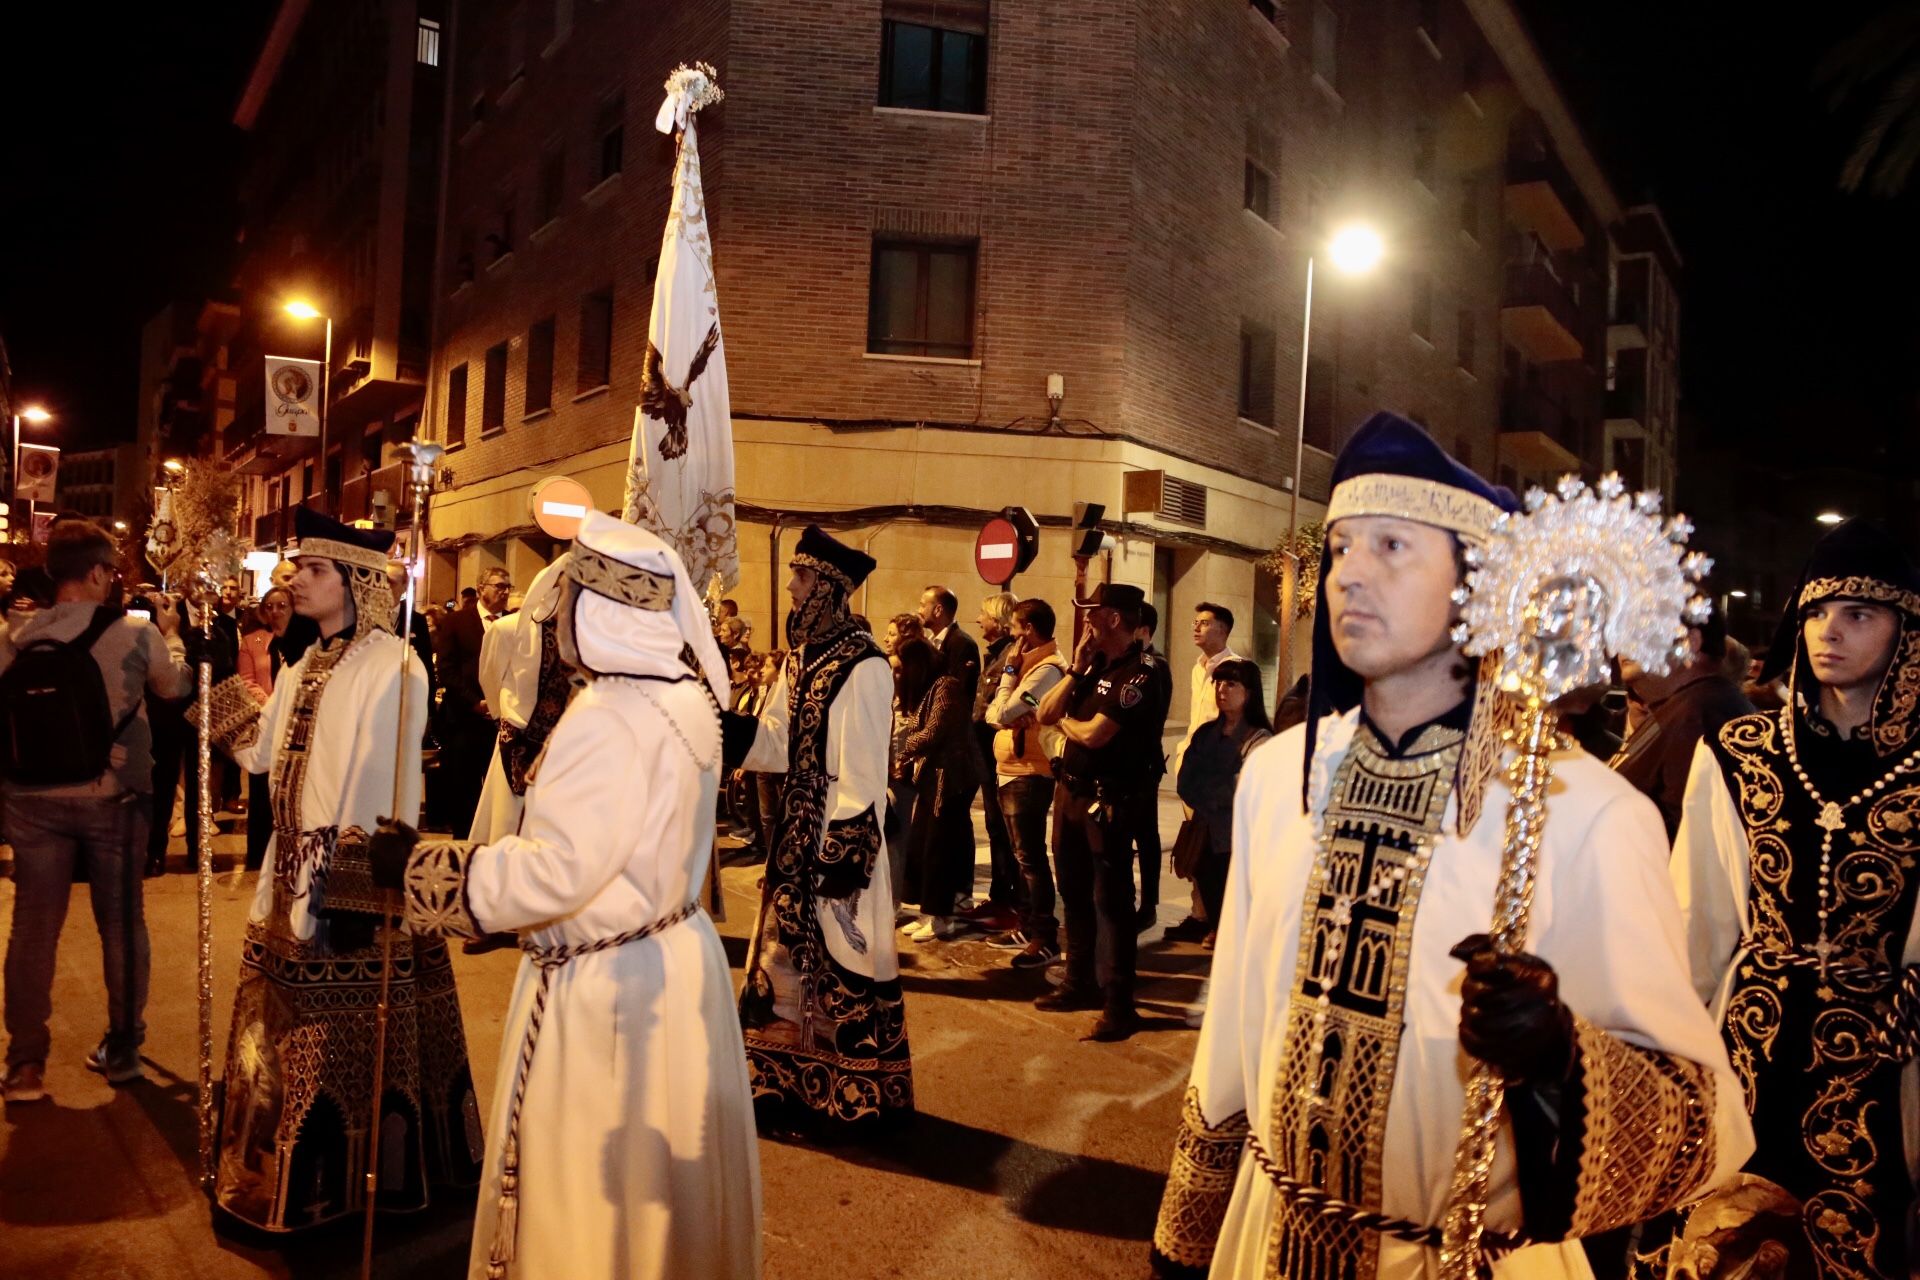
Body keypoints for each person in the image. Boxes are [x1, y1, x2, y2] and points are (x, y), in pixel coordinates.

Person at [1150, 412, 1752, 1279]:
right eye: (1343, 546)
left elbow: (1700, 1119)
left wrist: (1560, 1062)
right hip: (1267, 1236)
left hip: (1466, 1257)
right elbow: (1237, 1024)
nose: (1350, 573)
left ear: (1480, 587)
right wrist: (1187, 1234)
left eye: (1392, 547)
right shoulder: (1282, 773)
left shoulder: (1587, 813)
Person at [368, 513, 761, 1280]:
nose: (556, 622)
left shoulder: (610, 715)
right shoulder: (685, 699)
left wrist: (421, 867)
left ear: (600, 611)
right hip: (675, 968)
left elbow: (559, 872)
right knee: (661, 1205)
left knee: (592, 1199)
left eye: (569, 601)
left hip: (609, 995)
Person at [198, 507, 480, 1231]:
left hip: (349, 885)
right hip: (286, 874)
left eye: (314, 570)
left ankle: (351, 1193)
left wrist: (355, 890)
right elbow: (262, 753)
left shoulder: (394, 663)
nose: (297, 581)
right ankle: (278, 1181)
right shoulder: (305, 661)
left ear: (358, 580)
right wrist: (199, 682)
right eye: (297, 570)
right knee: (282, 1038)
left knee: (342, 1044)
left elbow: (389, 788)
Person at [1667, 518, 1920, 1279]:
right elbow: (1699, 919)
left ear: (1906, 633)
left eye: (1858, 615)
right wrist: (1678, 1062)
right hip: (1751, 1044)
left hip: (1882, 1056)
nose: (1828, 633)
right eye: (1814, 613)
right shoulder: (1741, 754)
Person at [722, 525, 911, 1134]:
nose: (792, 589)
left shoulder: (866, 664)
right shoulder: (801, 660)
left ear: (829, 586)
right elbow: (776, 741)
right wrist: (720, 726)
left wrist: (843, 851)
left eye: (800, 578)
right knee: (780, 959)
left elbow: (862, 767)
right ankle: (780, 1083)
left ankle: (847, 1092)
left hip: (838, 835)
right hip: (796, 829)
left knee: (841, 958)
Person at [0, 521, 198, 1102]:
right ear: (93, 572)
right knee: (121, 923)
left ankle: (25, 1065)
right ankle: (123, 1049)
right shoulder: (133, 632)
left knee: (33, 926)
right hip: (115, 796)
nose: (113, 581)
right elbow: (174, 687)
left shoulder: (14, 635)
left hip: (32, 799)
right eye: (110, 571)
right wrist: (175, 635)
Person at [1033, 581, 1170, 1042]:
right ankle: (1078, 984)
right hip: (1070, 795)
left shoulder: (1145, 670)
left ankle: (1119, 1005)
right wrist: (1074, 670)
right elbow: (1044, 714)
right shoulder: (1093, 666)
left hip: (1109, 801)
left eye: (1093, 613)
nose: (1086, 620)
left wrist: (1067, 725)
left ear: (1114, 618)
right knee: (1072, 893)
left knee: (1111, 904)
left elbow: (1094, 734)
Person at [1609, 599, 1755, 838]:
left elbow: (1697, 844)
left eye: (1642, 627)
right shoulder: (1685, 706)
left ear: (1691, 642)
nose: (1624, 641)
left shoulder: (1702, 714)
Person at [983, 597, 1069, 969]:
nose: (1011, 635)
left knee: (1030, 858)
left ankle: (1044, 937)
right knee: (1022, 857)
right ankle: (1027, 922)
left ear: (1029, 631)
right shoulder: (1030, 667)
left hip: (1029, 773)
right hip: (1013, 768)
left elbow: (1002, 710)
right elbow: (992, 713)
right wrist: (1005, 709)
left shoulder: (1046, 670)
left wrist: (1008, 676)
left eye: (1015, 628)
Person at [469, 557, 572, 845]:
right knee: (507, 824)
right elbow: (490, 677)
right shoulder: (508, 629)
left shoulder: (581, 634)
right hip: (517, 736)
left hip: (563, 743)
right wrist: (506, 717)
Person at [1174, 659, 1271, 940]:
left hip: (1239, 837)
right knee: (1210, 887)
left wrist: (1213, 794)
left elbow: (1248, 787)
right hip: (1205, 832)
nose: (1221, 690)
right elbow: (1186, 781)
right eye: (1217, 682)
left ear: (1249, 692)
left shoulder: (1259, 739)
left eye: (1231, 683)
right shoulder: (1206, 734)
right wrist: (1212, 796)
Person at [1166, 604, 1243, 943]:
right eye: (1194, 621)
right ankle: (1200, 914)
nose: (1195, 627)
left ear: (1224, 629)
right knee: (1195, 846)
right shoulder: (1199, 668)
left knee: (1216, 851)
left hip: (1216, 774)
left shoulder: (1236, 669)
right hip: (1193, 769)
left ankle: (1220, 920)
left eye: (1204, 623)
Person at [897, 637, 979, 941]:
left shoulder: (946, 685)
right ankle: (930, 911)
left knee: (939, 848)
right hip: (934, 777)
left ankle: (942, 916)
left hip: (950, 779)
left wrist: (904, 749)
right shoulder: (933, 688)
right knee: (925, 844)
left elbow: (934, 730)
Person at [435, 567, 509, 834]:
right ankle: (464, 843)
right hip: (464, 718)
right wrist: (476, 702)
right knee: (463, 787)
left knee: (496, 789)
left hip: (501, 720)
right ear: (481, 588)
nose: (505, 591)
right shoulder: (457, 622)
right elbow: (447, 668)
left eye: (507, 587)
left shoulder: (513, 623)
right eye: (499, 585)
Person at [963, 592, 1021, 932]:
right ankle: (1001, 894)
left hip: (1003, 756)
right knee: (996, 827)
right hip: (987, 753)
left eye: (984, 615)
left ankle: (1010, 901)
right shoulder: (998, 655)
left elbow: (1028, 696)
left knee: (1005, 830)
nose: (979, 620)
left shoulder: (1014, 657)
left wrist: (1008, 713)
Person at [237, 586, 294, 871]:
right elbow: (246, 681)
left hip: (295, 724)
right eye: (270, 606)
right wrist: (272, 704)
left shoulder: (303, 641)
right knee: (261, 790)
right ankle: (258, 856)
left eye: (282, 605)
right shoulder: (253, 641)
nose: (275, 611)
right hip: (266, 721)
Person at [1129, 601, 1176, 933]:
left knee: (1145, 835)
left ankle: (1149, 905)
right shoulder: (1126, 662)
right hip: (1126, 764)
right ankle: (1128, 897)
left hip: (1141, 762)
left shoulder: (1152, 666)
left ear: (1143, 630)